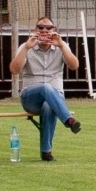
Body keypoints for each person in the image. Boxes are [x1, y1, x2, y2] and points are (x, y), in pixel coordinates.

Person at [9, 17, 82, 161]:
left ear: (54, 31)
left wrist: (61, 46)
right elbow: (14, 70)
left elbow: (74, 66)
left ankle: (46, 152)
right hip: (30, 98)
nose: (44, 31)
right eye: (40, 27)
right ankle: (68, 120)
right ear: (35, 30)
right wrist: (26, 48)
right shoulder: (26, 46)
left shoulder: (62, 46)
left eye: (48, 28)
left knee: (49, 106)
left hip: (55, 98)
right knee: (46, 87)